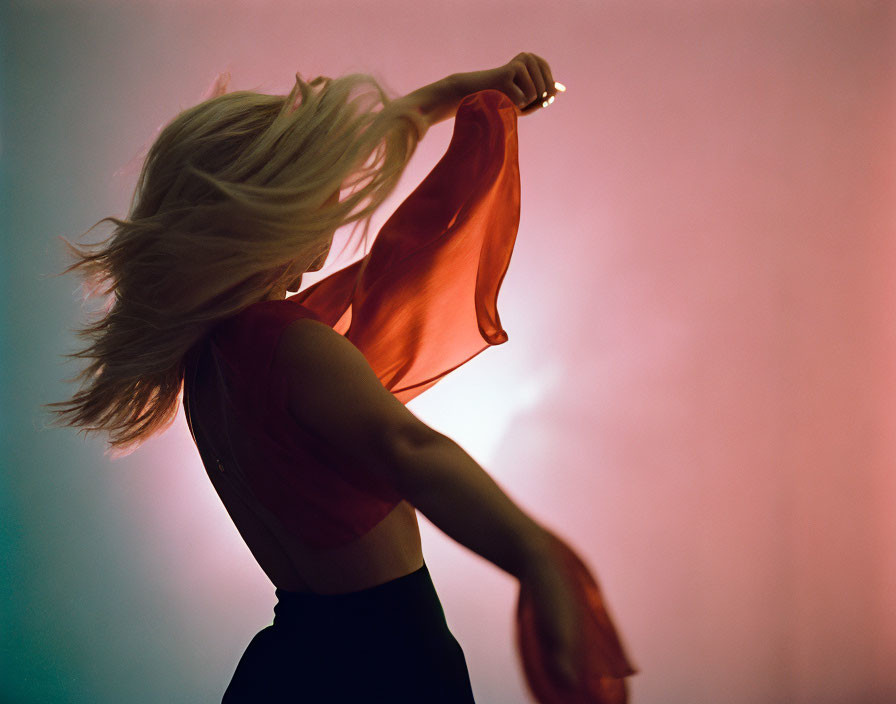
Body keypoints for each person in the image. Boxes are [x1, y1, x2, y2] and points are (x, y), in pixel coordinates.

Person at [46, 52, 636, 702]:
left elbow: (385, 138)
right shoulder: (285, 344)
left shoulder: (210, 368)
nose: (337, 204)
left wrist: (459, 89)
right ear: (270, 205)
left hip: (292, 664)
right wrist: (534, 555)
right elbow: (408, 448)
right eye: (317, 183)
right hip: (388, 666)